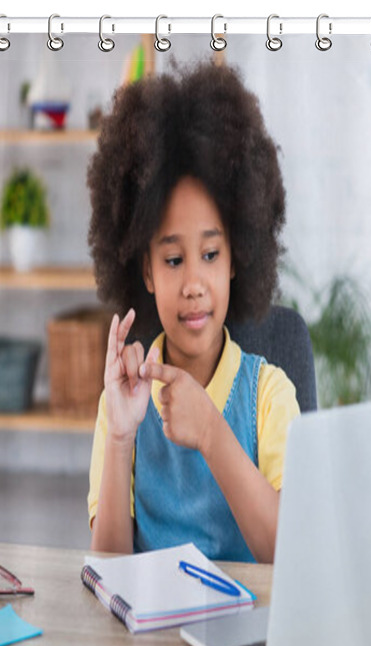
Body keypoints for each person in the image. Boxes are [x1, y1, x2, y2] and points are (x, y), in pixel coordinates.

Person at [86, 62, 299, 564]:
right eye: (174, 260)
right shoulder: (122, 404)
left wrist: (210, 431)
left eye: (210, 255)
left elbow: (288, 554)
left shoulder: (270, 396)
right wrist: (120, 436)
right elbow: (109, 567)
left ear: (236, 260)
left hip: (245, 637)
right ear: (146, 272)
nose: (193, 285)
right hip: (149, 641)